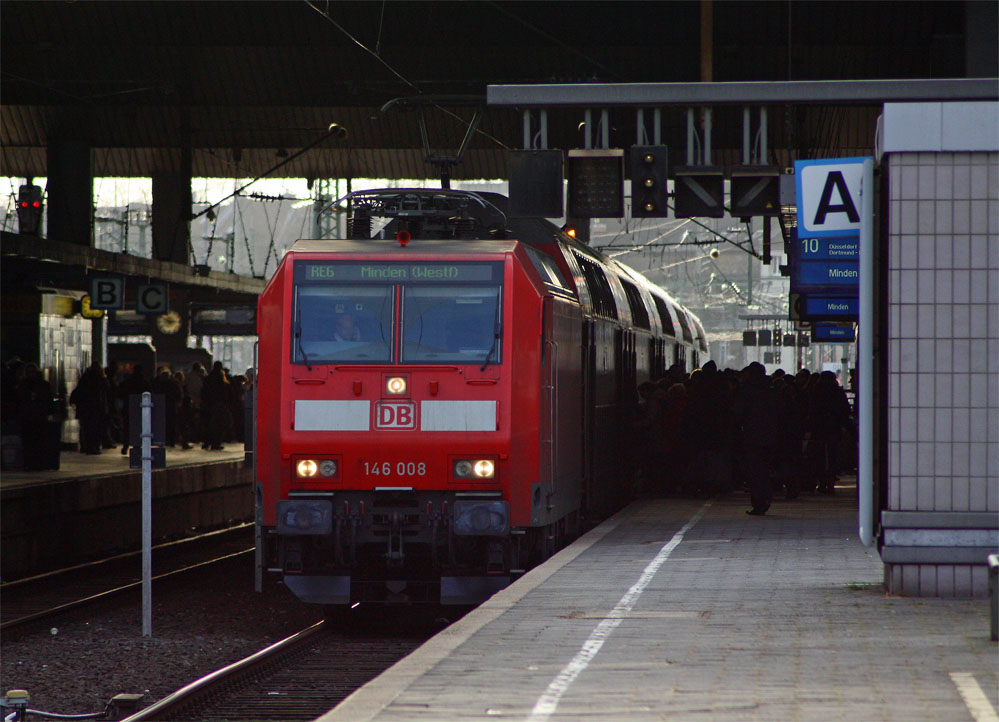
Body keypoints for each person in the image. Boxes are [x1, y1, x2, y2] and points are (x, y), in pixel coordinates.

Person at [732, 362, 780, 516]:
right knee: (764, 469)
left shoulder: (747, 390)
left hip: (752, 436)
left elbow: (737, 412)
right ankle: (765, 498)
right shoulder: (773, 389)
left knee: (754, 470)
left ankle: (759, 502)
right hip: (771, 436)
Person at [70, 363, 109, 455]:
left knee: (86, 429)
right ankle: (94, 447)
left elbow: (77, 393)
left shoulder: (85, 380)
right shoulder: (101, 380)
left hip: (85, 410)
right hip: (97, 410)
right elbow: (106, 392)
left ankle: (86, 446)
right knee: (96, 429)